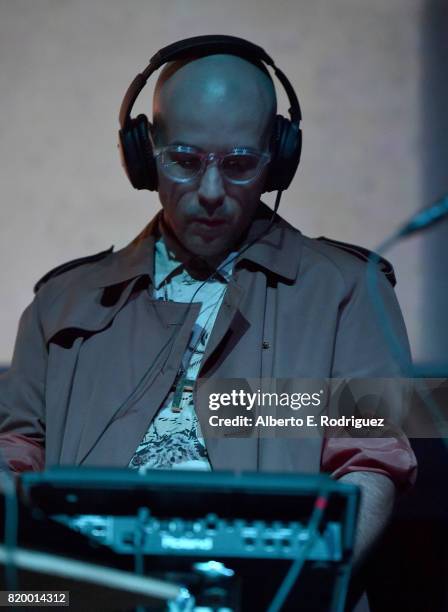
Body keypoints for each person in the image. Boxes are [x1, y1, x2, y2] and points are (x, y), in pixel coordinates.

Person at [0, 36, 416, 609]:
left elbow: (371, 459)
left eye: (241, 164)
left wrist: (308, 587)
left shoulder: (347, 289)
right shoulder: (61, 302)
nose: (213, 192)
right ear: (145, 154)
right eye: (186, 162)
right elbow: (17, 450)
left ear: (279, 158)